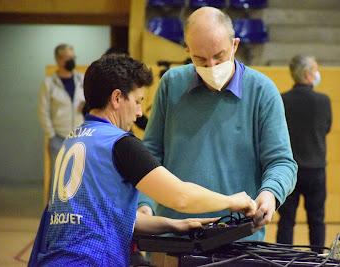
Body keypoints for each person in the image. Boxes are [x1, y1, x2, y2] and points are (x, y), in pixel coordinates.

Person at [28, 54, 257, 267]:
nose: (139, 112)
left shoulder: (73, 139)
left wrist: (173, 224)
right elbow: (181, 197)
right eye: (138, 101)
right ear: (117, 98)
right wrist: (231, 201)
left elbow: (108, 216)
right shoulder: (119, 144)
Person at [138, 7, 298, 241]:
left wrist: (271, 193)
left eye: (219, 56)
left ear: (234, 45)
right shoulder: (171, 83)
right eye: (200, 59)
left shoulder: (263, 91)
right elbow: (151, 154)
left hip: (239, 237)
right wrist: (145, 204)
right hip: (173, 235)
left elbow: (282, 162)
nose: (211, 66)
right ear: (187, 50)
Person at [276, 55, 332, 253]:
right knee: (316, 220)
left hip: (289, 169)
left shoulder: (282, 100)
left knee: (286, 220)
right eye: (316, 69)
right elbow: (326, 128)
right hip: (316, 169)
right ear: (308, 74)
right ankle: (317, 259)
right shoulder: (323, 101)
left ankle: (282, 259)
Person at [38, 44, 85, 167]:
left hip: (81, 135)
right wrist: (51, 135)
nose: (72, 60)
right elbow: (43, 111)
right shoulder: (49, 83)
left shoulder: (82, 79)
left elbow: (93, 102)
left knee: (79, 176)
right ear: (58, 59)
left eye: (73, 57)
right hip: (59, 137)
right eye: (67, 57)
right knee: (60, 177)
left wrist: (87, 106)